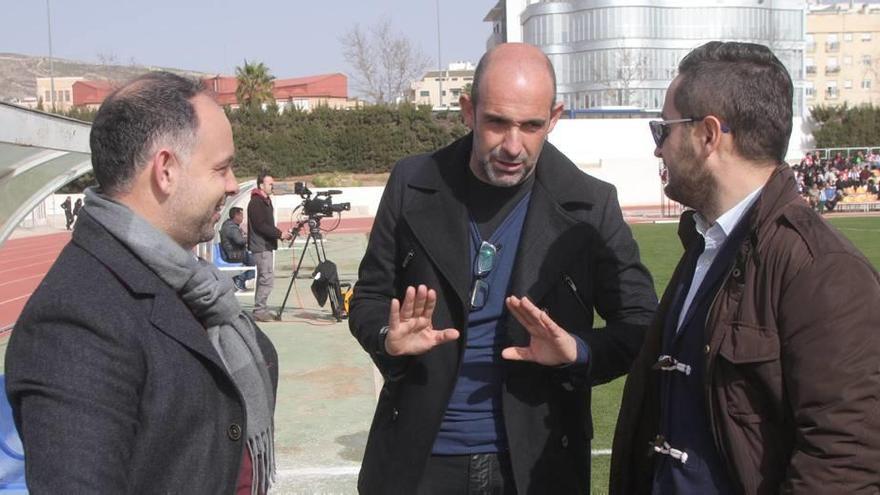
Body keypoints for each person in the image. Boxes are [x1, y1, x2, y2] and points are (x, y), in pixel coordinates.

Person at [349, 42, 657, 494]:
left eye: (532, 126)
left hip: (537, 466)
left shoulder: (593, 204)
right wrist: (387, 340)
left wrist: (576, 350)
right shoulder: (411, 183)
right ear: (468, 111)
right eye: (497, 123)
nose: (513, 146)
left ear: (554, 118)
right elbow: (370, 298)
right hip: (420, 459)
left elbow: (641, 324)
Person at [610, 41, 880, 494]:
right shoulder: (705, 243)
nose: (659, 150)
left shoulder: (823, 271)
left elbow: (844, 461)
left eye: (664, 130)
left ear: (708, 135)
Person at [5, 72, 278, 494]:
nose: (230, 185)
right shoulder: (75, 322)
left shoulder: (188, 281)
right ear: (165, 170)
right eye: (221, 168)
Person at [247, 171, 291, 322]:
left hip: (265, 245)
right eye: (270, 184)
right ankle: (259, 310)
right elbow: (261, 226)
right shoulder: (256, 202)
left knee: (264, 278)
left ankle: (260, 309)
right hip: (261, 246)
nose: (272, 186)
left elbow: (266, 225)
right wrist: (279, 234)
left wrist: (279, 235)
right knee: (266, 279)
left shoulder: (265, 201)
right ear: (261, 185)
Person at [220, 206, 256, 291]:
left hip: (235, 252)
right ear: (236, 216)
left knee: (255, 260)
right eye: (241, 216)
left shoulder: (231, 225)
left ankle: (239, 281)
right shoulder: (231, 227)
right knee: (258, 263)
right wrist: (250, 238)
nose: (243, 218)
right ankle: (239, 280)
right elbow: (240, 241)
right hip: (233, 255)